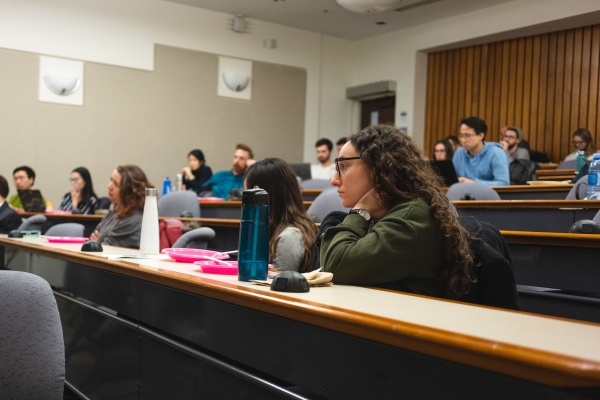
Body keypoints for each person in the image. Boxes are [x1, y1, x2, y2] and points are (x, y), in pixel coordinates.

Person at [320, 125, 475, 298]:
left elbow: (334, 265)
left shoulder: (412, 217)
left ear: (377, 167)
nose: (334, 180)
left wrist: (359, 213)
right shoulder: (387, 211)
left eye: (344, 166)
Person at [244, 158, 319, 272]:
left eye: (249, 196)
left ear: (268, 196)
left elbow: (277, 286)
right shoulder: (268, 229)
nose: (245, 204)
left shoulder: (289, 237)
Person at [90, 165, 153, 248]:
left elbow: (104, 249)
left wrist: (98, 242)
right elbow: (94, 237)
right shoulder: (115, 211)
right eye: (111, 180)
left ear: (130, 192)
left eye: (115, 184)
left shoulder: (133, 220)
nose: (109, 186)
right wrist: (97, 242)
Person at [452, 117, 510, 186]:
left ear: (481, 135)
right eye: (461, 136)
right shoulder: (459, 153)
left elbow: (504, 183)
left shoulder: (496, 153)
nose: (463, 140)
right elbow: (452, 180)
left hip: (489, 196)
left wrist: (474, 183)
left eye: (467, 135)